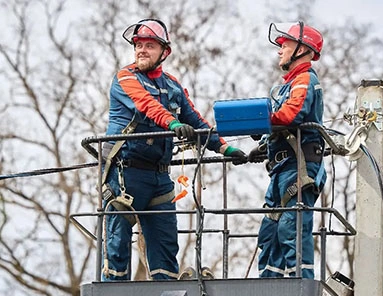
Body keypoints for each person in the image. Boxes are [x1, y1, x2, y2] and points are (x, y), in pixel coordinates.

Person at [101, 18, 247, 281]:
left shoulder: (173, 87)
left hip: (158, 177)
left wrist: (225, 149)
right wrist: (173, 123)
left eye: (149, 46)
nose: (141, 50)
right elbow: (146, 105)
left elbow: (197, 123)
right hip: (126, 173)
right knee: (118, 239)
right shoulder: (125, 78)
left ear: (164, 52)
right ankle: (114, 289)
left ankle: (165, 290)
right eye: (138, 45)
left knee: (165, 241)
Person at [250, 21, 327, 279]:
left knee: (291, 226)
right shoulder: (285, 86)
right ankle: (268, 283)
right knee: (270, 229)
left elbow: (293, 114)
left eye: (285, 44)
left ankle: (299, 284)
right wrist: (263, 145)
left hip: (299, 166)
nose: (280, 50)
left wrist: (262, 120)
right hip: (281, 169)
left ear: (302, 50)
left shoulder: (305, 79)